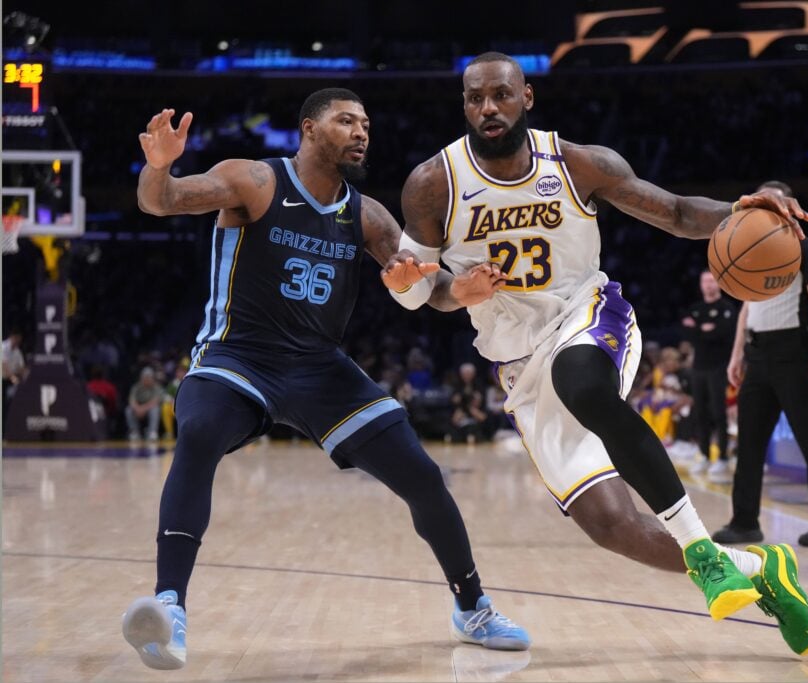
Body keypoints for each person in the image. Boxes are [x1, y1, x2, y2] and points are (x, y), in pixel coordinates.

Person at [383, 52, 808, 656]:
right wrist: (455, 290)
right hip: (518, 362)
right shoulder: (432, 183)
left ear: (526, 98)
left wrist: (742, 210)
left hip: (588, 317)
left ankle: (700, 547)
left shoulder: (579, 164)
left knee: (582, 381)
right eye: (476, 98)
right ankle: (757, 568)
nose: (489, 108)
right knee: (614, 528)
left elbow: (674, 212)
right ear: (464, 105)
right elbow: (420, 290)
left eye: (501, 96)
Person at [121, 89, 530, 671]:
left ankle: (474, 608)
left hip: (318, 366)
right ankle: (170, 609)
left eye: (366, 122)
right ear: (309, 129)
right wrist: (159, 165)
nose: (361, 131)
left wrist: (456, 293)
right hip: (239, 357)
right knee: (202, 430)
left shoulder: (366, 215)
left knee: (422, 474)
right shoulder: (254, 181)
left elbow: (419, 286)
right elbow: (160, 202)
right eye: (346, 121)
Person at [712, 180, 808, 549]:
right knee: (750, 444)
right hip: (757, 356)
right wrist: (737, 354)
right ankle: (744, 522)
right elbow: (746, 307)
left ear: (788, 206)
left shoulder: (806, 248)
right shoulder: (748, 247)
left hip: (794, 355)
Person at [682, 270, 737, 483]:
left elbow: (723, 334)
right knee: (700, 412)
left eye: (712, 281)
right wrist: (705, 331)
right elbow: (687, 334)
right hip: (698, 367)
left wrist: (701, 330)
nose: (708, 285)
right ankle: (704, 454)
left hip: (718, 367)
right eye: (704, 280)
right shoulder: (695, 308)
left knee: (719, 412)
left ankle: (721, 456)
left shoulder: (727, 308)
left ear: (719, 284)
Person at [125, 366, 164, 442]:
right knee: (128, 410)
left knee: (155, 409)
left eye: (148, 377)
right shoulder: (136, 387)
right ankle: (134, 432)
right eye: (145, 377)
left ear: (152, 378)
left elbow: (155, 401)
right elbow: (132, 400)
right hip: (138, 409)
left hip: (149, 409)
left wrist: (143, 409)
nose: (146, 379)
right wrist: (137, 408)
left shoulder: (157, 387)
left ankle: (152, 432)